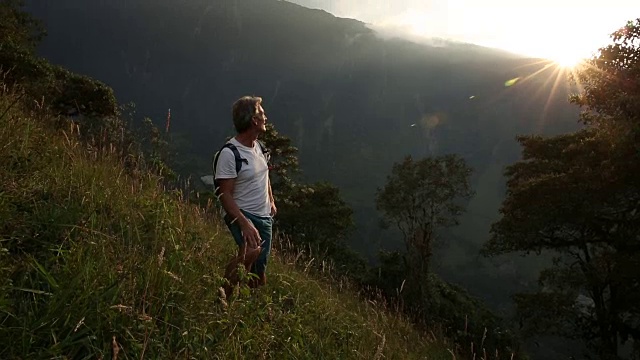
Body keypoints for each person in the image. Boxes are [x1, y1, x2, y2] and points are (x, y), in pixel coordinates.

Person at [215, 96, 276, 288]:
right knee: (250, 251)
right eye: (262, 113)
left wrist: (271, 201)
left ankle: (250, 307)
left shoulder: (259, 147)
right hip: (243, 213)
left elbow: (264, 175)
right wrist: (245, 223)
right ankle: (222, 297)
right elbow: (224, 194)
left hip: (264, 215)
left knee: (258, 270)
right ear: (253, 120)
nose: (266, 117)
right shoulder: (230, 153)